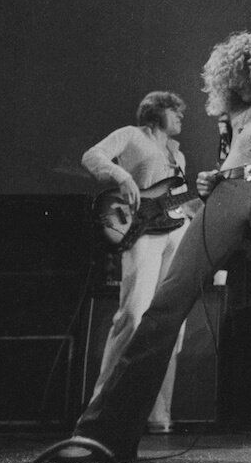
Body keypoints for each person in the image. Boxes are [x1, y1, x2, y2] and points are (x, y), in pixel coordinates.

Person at [67, 32, 251, 460]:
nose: (238, 78)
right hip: (228, 193)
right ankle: (104, 432)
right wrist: (209, 179)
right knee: (166, 305)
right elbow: (228, 157)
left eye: (244, 68)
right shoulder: (231, 112)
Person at [81, 91, 192, 435]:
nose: (181, 119)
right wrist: (122, 176)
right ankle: (103, 406)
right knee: (133, 314)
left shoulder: (179, 155)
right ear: (159, 111)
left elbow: (179, 199)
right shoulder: (131, 134)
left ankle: (158, 412)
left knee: (171, 323)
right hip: (142, 231)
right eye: (176, 112)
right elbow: (92, 156)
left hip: (176, 230)